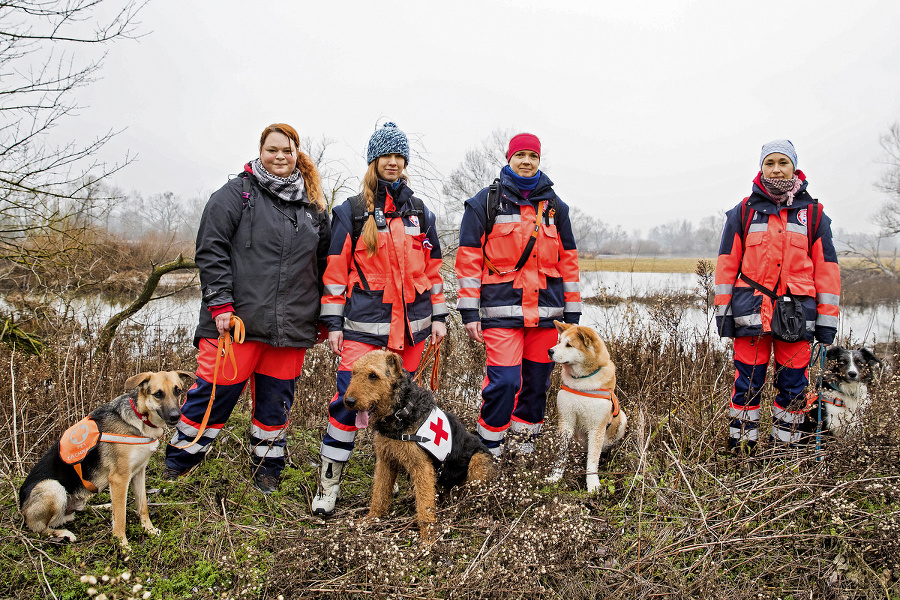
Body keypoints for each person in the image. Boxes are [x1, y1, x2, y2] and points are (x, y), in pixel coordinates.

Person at [164, 123, 331, 494]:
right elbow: (211, 250)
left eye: (287, 151)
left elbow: (323, 267)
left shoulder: (314, 208)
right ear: (260, 151)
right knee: (213, 396)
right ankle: (179, 465)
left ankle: (267, 471)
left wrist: (321, 318)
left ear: (296, 155)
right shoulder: (235, 194)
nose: (279, 157)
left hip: (290, 330)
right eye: (272, 149)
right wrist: (220, 304)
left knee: (275, 404)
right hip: (235, 323)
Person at [312, 122, 448, 516]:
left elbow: (433, 270)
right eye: (386, 155)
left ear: (405, 162)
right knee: (346, 403)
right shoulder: (351, 212)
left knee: (403, 408)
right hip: (363, 332)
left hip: (412, 333)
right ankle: (328, 487)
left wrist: (438, 317)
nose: (393, 162)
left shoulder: (420, 212)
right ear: (374, 160)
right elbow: (335, 272)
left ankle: (406, 477)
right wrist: (334, 324)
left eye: (399, 156)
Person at [455, 133, 582, 456]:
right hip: (501, 315)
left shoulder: (556, 208)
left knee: (536, 386)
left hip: (547, 318)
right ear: (509, 158)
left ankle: (523, 457)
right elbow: (468, 260)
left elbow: (568, 261)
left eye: (533, 156)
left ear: (539, 161)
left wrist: (573, 314)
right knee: (505, 384)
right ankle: (488, 456)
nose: (527, 161)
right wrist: (469, 312)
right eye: (520, 155)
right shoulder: (484, 203)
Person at [715, 139, 840, 453]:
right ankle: (741, 451)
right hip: (750, 314)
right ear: (761, 168)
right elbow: (726, 266)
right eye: (769, 162)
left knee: (794, 387)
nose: (776, 168)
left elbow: (827, 271)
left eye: (782, 162)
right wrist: (723, 316)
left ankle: (786, 454)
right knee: (746, 386)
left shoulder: (813, 214)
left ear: (793, 166)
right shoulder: (742, 212)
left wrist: (827, 323)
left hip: (798, 318)